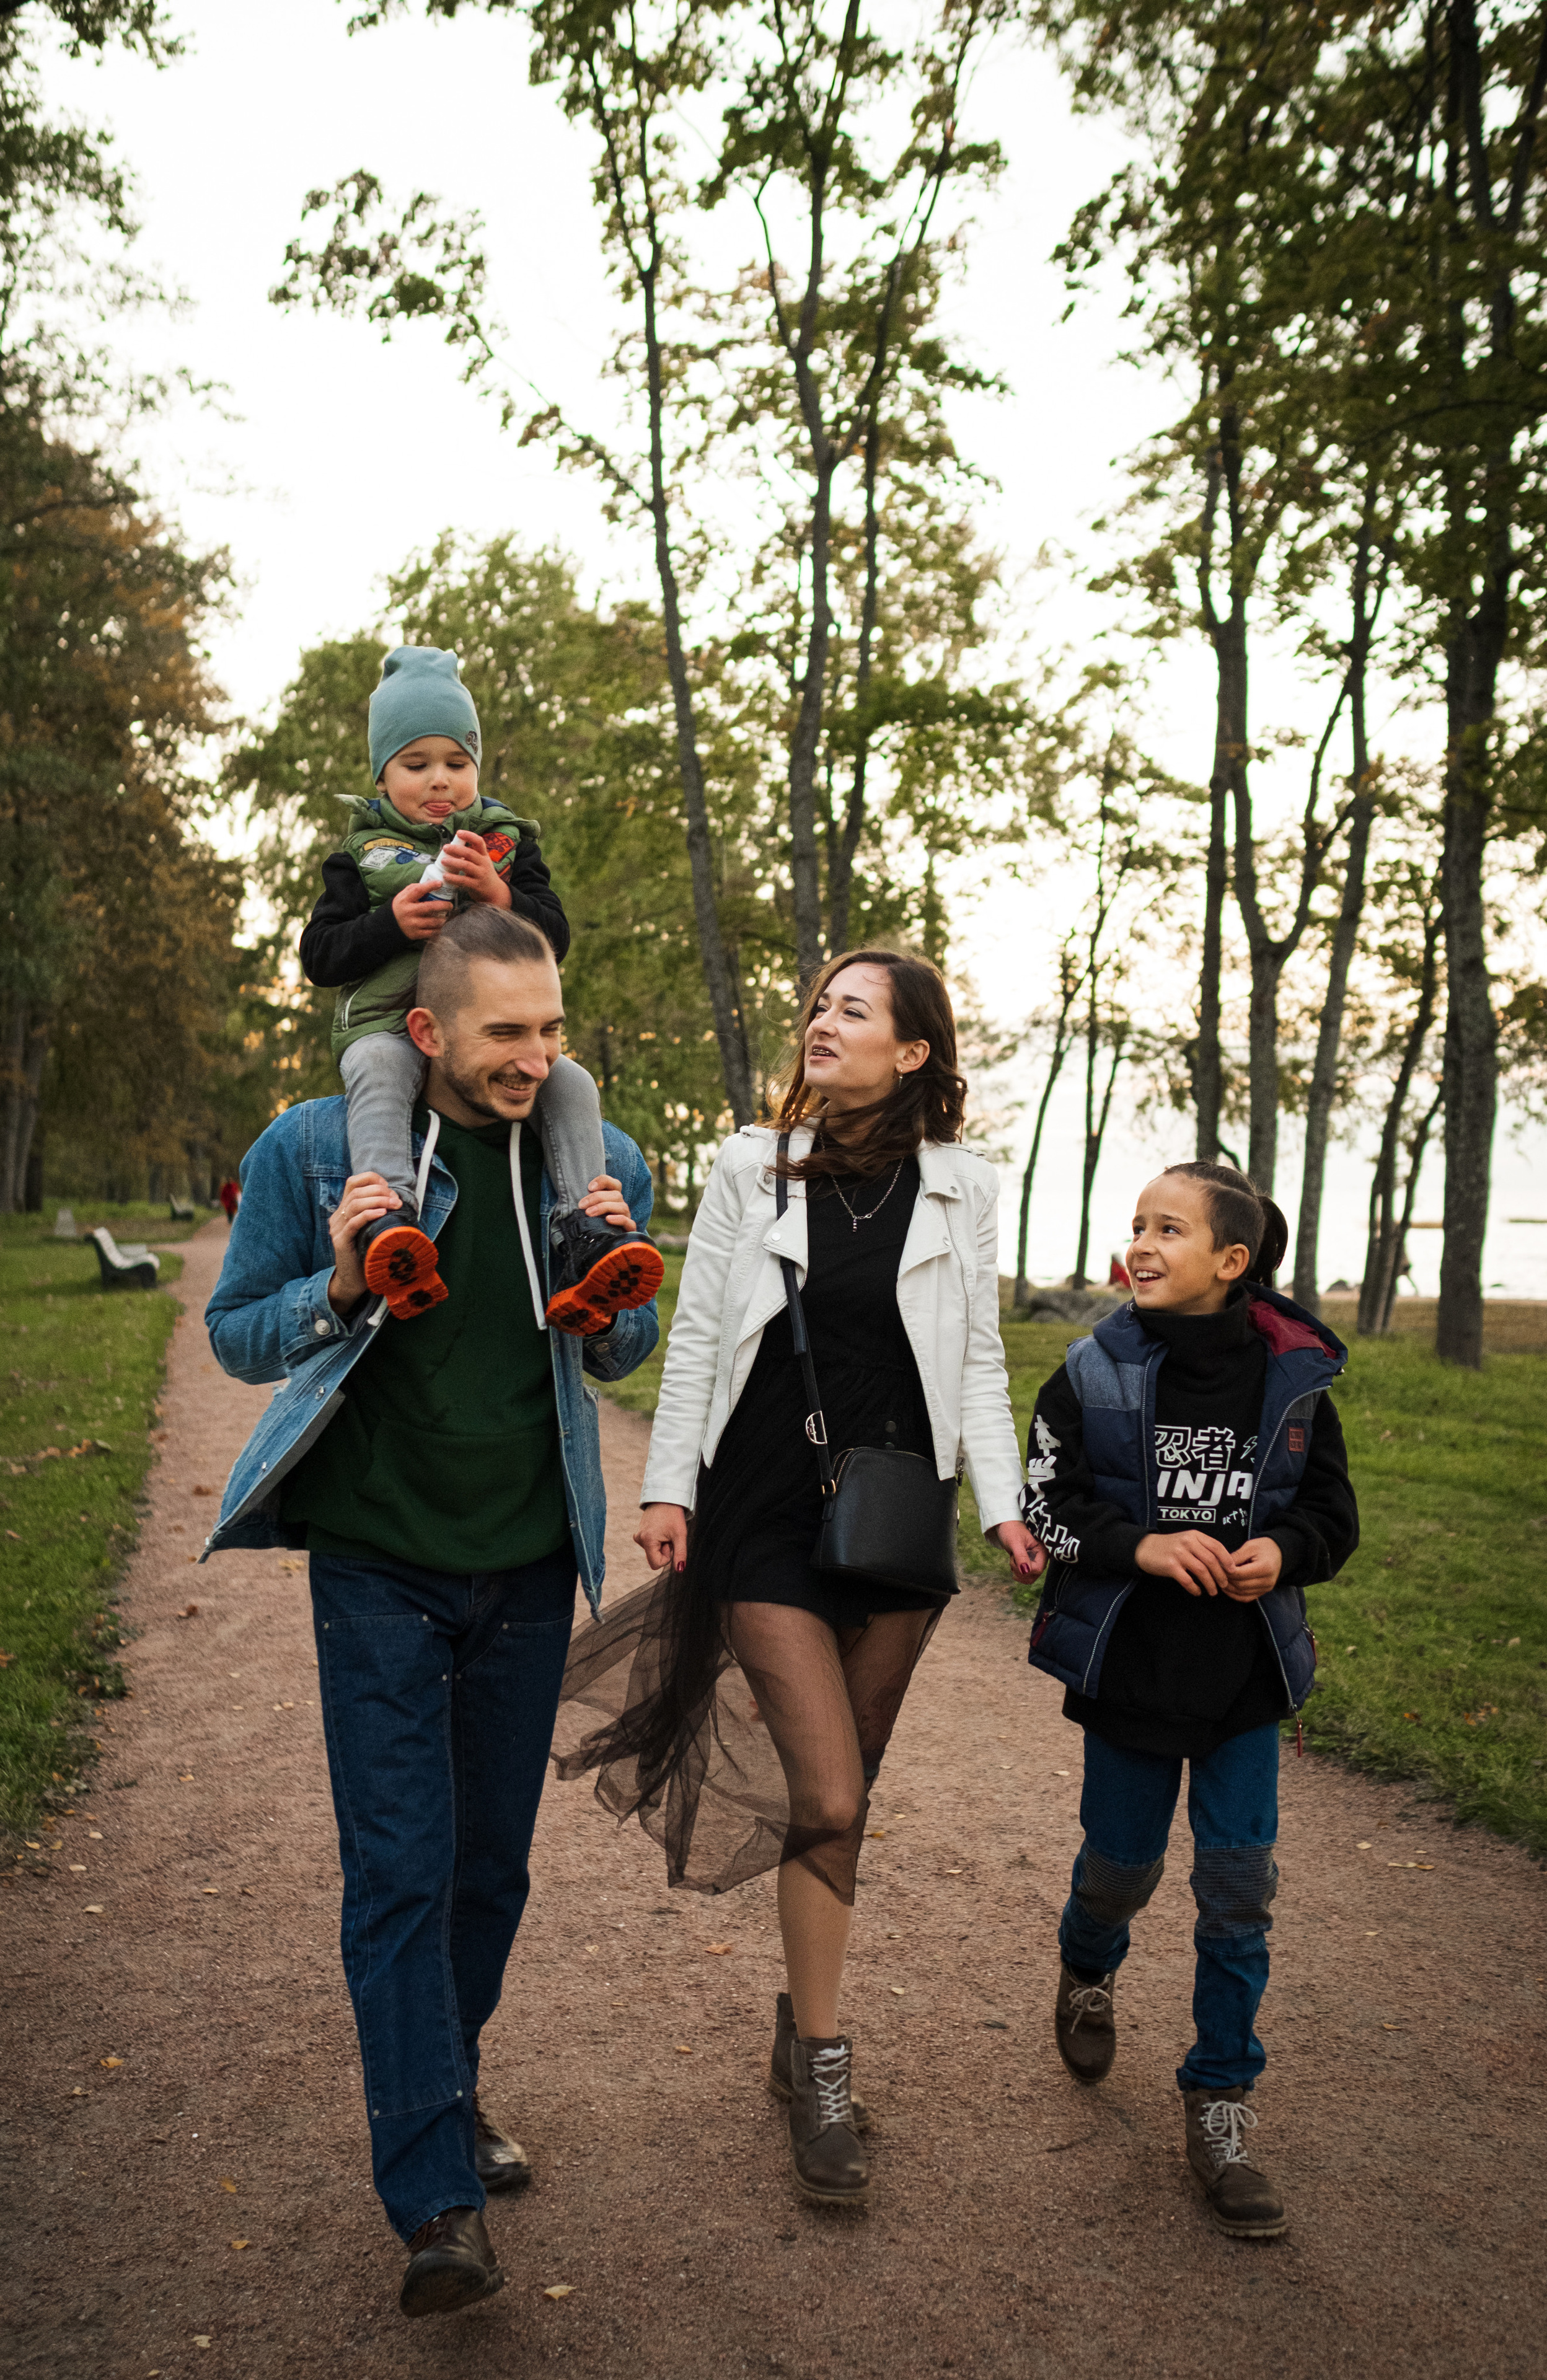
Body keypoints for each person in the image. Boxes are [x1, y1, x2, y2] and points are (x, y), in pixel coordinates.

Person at [201, 904, 659, 2319]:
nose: (533, 1059)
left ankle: (440, 2090)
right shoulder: (312, 1150)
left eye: (550, 1031)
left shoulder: (599, 1161)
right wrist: (339, 1283)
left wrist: (614, 1293)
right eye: (505, 1033)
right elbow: (236, 1328)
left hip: (528, 1560)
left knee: (486, 1873)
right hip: (377, 1558)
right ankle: (433, 2201)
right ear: (428, 1032)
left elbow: (628, 1342)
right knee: (401, 1865)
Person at [555, 948, 1046, 2210]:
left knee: (847, 1793)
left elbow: (978, 1361)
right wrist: (669, 1484)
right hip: (764, 1508)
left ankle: (797, 2028)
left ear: (914, 1052)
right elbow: (707, 1333)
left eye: (854, 1010)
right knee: (823, 1786)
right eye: (818, 1005)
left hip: (893, 1516)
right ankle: (824, 2064)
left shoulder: (962, 1189)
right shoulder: (744, 1164)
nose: (823, 1023)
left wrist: (1003, 1508)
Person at [1022, 1161, 1359, 2241]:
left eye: (1169, 1228)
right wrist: (1142, 1544)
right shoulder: (1092, 1371)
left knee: (1237, 1891)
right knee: (1120, 1870)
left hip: (1242, 1685)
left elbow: (1332, 1519)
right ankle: (1087, 1964)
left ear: (1233, 1261)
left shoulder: (1295, 1384)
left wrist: (1283, 1549)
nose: (1142, 1245)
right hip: (1132, 1676)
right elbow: (1048, 1513)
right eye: (1135, 1226)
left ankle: (1219, 2097)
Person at [299, 643, 662, 1333]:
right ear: (382, 777)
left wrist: (497, 893)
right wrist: (390, 924)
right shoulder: (360, 854)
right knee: (378, 1068)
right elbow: (320, 956)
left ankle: (583, 1236)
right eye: (416, 764)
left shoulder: (506, 842)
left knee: (573, 1083)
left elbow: (553, 934)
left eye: (457, 763)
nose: (440, 781)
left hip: (489, 1037)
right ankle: (388, 1224)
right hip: (387, 1025)